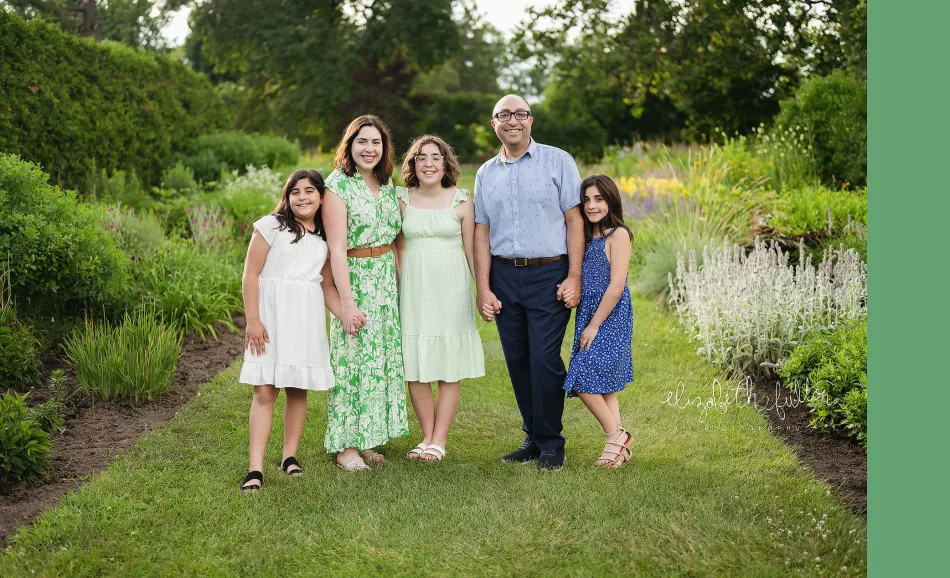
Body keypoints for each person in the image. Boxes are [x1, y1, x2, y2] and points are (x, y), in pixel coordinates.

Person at [474, 94, 584, 471]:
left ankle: (552, 442)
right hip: (504, 275)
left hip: (549, 274)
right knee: (518, 360)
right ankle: (533, 438)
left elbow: (574, 220)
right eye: (504, 115)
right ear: (494, 124)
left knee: (545, 359)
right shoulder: (486, 173)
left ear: (531, 120)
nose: (513, 121)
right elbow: (482, 230)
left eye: (520, 114)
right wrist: (483, 286)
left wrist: (574, 276)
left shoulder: (558, 161)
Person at [239, 169, 339, 492]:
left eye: (310, 191)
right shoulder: (271, 226)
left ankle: (289, 456)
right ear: (287, 196)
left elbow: (325, 286)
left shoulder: (324, 240)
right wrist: (253, 320)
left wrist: (346, 314)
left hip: (304, 320)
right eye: (295, 191)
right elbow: (251, 274)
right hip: (270, 319)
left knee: (298, 390)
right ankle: (255, 468)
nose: (302, 197)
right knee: (265, 390)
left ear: (321, 197)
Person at [322, 115, 408, 472]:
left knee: (380, 362)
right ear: (350, 144)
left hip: (385, 279)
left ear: (384, 147)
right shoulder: (337, 186)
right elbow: (337, 249)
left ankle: (369, 437)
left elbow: (396, 239)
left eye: (376, 142)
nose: (369, 149)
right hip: (355, 279)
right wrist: (347, 302)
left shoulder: (386, 184)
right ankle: (346, 447)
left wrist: (402, 288)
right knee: (352, 361)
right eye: (362, 142)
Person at [394, 135, 485, 462]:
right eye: (421, 157)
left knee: (448, 367)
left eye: (435, 157)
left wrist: (482, 290)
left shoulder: (462, 200)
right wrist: (402, 285)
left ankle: (439, 441)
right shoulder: (400, 198)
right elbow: (398, 247)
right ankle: (427, 436)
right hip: (415, 289)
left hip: (451, 288)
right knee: (415, 367)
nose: (428, 163)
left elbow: (472, 251)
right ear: (413, 165)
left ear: (446, 163)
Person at [563, 175, 635, 468]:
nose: (592, 205)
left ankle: (616, 436)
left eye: (599, 199)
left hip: (610, 315)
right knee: (605, 386)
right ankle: (618, 452)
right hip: (588, 313)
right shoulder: (586, 236)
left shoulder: (617, 235)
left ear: (611, 201)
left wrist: (594, 325)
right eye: (587, 199)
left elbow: (616, 285)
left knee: (582, 378)